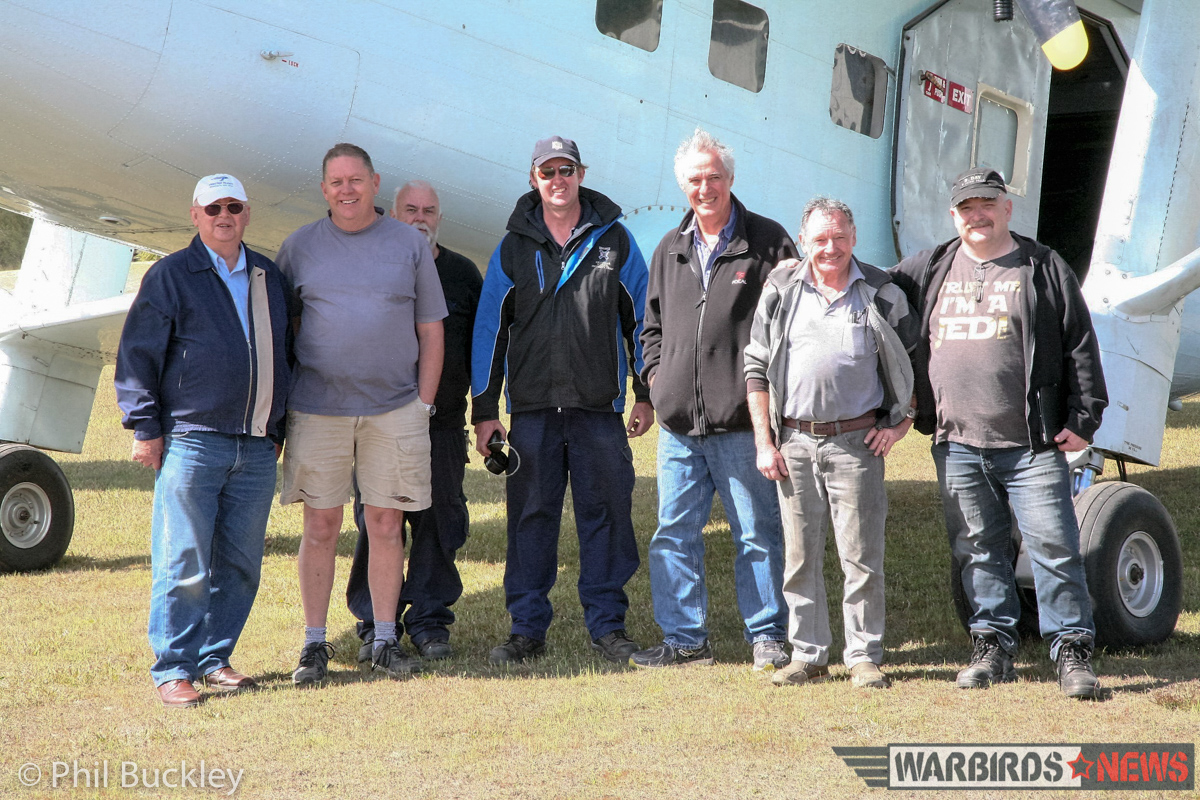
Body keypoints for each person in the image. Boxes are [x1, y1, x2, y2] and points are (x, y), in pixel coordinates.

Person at [890, 167, 1108, 699]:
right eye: (967, 207)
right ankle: (992, 647)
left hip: (1030, 443)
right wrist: (804, 263)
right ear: (953, 215)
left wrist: (1084, 417)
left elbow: (1080, 342)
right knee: (977, 548)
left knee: (1054, 547)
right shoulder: (931, 266)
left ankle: (1072, 652)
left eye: (987, 204)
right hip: (956, 442)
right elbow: (867, 282)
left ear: (1007, 208)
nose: (977, 215)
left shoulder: (1042, 266)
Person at [471, 135, 653, 665]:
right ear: (534, 179)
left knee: (607, 516)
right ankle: (526, 629)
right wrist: (485, 412)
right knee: (530, 518)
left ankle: (608, 626)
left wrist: (644, 393)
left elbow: (643, 321)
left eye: (566, 170)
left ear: (581, 174)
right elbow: (490, 331)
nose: (558, 180)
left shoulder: (615, 240)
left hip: (598, 411)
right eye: (547, 171)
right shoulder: (512, 246)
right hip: (532, 413)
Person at [115, 174, 291, 708]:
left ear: (247, 213)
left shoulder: (267, 276)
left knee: (241, 564)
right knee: (184, 561)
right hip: (193, 440)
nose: (224, 216)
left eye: (233, 206)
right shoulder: (171, 275)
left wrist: (276, 427)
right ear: (195, 215)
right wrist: (146, 428)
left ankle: (215, 657)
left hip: (255, 446)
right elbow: (138, 355)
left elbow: (286, 353)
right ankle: (174, 667)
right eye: (213, 208)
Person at [277, 143, 447, 686]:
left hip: (394, 409)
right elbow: (284, 328)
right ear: (324, 188)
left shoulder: (408, 244)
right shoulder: (299, 247)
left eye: (356, 180)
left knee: (386, 523)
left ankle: (384, 638)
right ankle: (314, 643)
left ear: (375, 183)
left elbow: (431, 329)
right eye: (336, 182)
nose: (346, 190)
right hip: (317, 409)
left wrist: (423, 403)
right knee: (320, 524)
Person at [631, 129, 797, 671]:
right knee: (673, 535)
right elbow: (651, 326)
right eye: (695, 180)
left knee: (757, 534)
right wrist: (658, 380)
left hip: (742, 423)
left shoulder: (769, 242)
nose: (705, 188)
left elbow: (793, 325)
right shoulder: (670, 247)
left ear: (730, 179)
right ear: (683, 186)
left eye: (714, 178)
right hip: (679, 427)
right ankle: (685, 640)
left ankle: (768, 636)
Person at [745, 198, 917, 689]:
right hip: (794, 443)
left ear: (854, 237)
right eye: (820, 239)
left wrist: (900, 424)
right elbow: (755, 367)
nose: (830, 248)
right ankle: (809, 655)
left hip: (857, 444)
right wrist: (764, 443)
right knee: (799, 557)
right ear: (803, 241)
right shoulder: (780, 288)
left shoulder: (882, 292)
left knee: (861, 557)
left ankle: (863, 657)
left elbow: (915, 363)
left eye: (840, 237)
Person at [344, 180, 483, 663]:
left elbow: (481, 351)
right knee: (377, 523)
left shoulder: (463, 275)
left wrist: (484, 413)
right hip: (379, 423)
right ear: (395, 214)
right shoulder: (371, 266)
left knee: (439, 522)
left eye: (428, 211)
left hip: (441, 424)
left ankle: (429, 621)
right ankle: (374, 623)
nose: (420, 218)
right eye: (411, 210)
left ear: (439, 218)